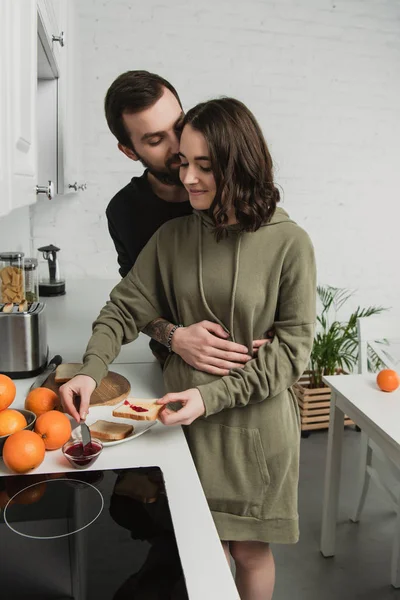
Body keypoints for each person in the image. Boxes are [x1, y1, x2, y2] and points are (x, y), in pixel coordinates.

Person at [61, 97, 316, 600]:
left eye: (205, 165)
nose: (190, 178)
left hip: (257, 428)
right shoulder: (172, 237)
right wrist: (90, 370)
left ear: (239, 164)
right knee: (205, 548)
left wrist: (209, 397)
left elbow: (292, 354)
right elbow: (121, 310)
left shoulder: (290, 243)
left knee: (249, 550)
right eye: (184, 162)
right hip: (188, 428)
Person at [104, 70, 270, 373]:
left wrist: (275, 332)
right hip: (176, 363)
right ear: (129, 151)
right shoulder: (124, 211)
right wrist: (174, 337)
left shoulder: (230, 186)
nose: (178, 146)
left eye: (179, 126)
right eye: (156, 140)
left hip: (253, 365)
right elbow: (134, 299)